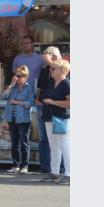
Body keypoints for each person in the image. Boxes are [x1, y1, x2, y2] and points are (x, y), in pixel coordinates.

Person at [35, 46, 66, 175]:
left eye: (44, 53)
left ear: (52, 55)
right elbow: (40, 88)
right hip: (43, 108)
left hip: (59, 111)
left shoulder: (64, 69)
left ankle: (63, 169)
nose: (42, 55)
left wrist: (53, 102)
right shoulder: (44, 69)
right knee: (45, 139)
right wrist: (37, 99)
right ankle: (46, 168)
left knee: (61, 141)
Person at [39, 59, 70, 185]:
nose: (50, 70)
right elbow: (43, 97)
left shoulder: (67, 84)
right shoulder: (51, 83)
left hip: (61, 118)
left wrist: (52, 102)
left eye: (53, 69)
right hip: (49, 117)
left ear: (62, 71)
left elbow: (70, 103)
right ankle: (55, 172)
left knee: (65, 146)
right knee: (54, 146)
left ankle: (69, 174)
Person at [1, 65, 35, 174]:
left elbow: (30, 103)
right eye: (16, 75)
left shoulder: (29, 88)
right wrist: (11, 85)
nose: (17, 77)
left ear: (25, 77)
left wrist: (17, 102)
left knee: (24, 142)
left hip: (23, 119)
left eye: (20, 76)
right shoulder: (13, 87)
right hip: (12, 118)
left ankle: (25, 165)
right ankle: (15, 165)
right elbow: (3, 96)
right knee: (14, 143)